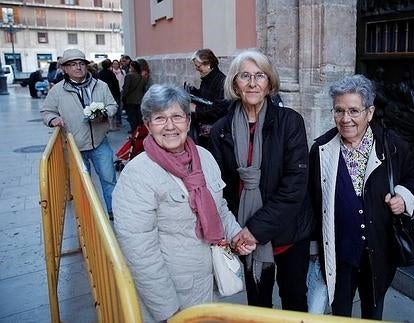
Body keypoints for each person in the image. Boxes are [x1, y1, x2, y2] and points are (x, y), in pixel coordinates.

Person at [113, 84, 255, 322]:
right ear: (147, 124)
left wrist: (236, 234)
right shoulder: (138, 174)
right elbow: (140, 252)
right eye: (160, 118)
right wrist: (168, 311)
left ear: (188, 122)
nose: (170, 126)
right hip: (172, 294)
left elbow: (219, 207)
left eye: (177, 116)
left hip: (207, 281)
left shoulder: (205, 157)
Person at [308, 74, 414, 319]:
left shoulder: (392, 145)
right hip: (339, 253)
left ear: (370, 113)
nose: (345, 119)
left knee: (373, 311)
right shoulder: (321, 149)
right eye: (339, 110)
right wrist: (313, 249)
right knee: (340, 310)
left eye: (354, 111)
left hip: (379, 251)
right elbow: (311, 201)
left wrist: (404, 197)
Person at [209, 50, 313, 312]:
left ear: (270, 83)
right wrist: (235, 232)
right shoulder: (221, 130)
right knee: (257, 306)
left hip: (289, 232)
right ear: (235, 83)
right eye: (245, 76)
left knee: (294, 302)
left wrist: (256, 229)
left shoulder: (290, 122)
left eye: (260, 76)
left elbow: (295, 186)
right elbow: (221, 189)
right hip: (245, 238)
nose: (253, 83)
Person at [40, 48, 117, 220]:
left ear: (87, 66)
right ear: (65, 69)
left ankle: (114, 212)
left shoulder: (101, 85)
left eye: (81, 63)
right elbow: (46, 112)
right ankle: (87, 218)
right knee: (81, 185)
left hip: (99, 142)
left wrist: (104, 112)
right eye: (73, 64)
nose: (78, 67)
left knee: (109, 179)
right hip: (75, 147)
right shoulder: (57, 91)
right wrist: (53, 119)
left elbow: (113, 105)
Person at [187, 48, 227, 148]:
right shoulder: (207, 79)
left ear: (208, 64)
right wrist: (192, 92)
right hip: (204, 132)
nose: (197, 69)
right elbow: (205, 98)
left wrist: (195, 109)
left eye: (198, 66)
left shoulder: (221, 81)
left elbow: (218, 109)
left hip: (215, 134)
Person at [122, 60, 147, 132]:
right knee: (138, 116)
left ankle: (134, 130)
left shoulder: (129, 76)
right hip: (139, 99)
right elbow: (143, 88)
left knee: (131, 116)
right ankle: (139, 130)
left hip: (130, 99)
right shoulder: (142, 77)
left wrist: (123, 97)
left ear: (132, 67)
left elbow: (126, 88)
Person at [97, 59, 121, 131]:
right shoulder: (111, 73)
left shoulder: (100, 73)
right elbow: (115, 84)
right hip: (112, 93)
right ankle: (111, 126)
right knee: (110, 108)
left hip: (101, 93)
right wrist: (118, 94)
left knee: (104, 108)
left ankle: (107, 125)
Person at [112, 59, 126, 128]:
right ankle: (114, 122)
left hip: (121, 91)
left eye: (116, 64)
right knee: (114, 106)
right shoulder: (111, 72)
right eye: (114, 64)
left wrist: (123, 89)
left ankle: (119, 120)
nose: (115, 65)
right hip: (114, 92)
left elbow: (125, 80)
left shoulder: (122, 72)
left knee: (120, 106)